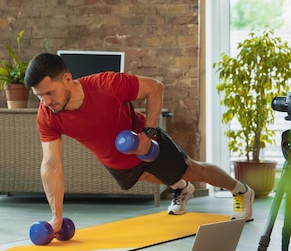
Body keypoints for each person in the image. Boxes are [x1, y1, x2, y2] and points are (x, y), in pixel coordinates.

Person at [24, 53, 255, 234]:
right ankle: (182, 189)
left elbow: (155, 87)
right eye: (39, 96)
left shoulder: (107, 85)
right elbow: (51, 163)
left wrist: (148, 133)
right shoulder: (47, 115)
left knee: (192, 169)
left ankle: (241, 190)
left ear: (66, 79)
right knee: (145, 177)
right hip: (113, 159)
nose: (45, 101)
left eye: (50, 93)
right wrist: (56, 216)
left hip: (144, 143)